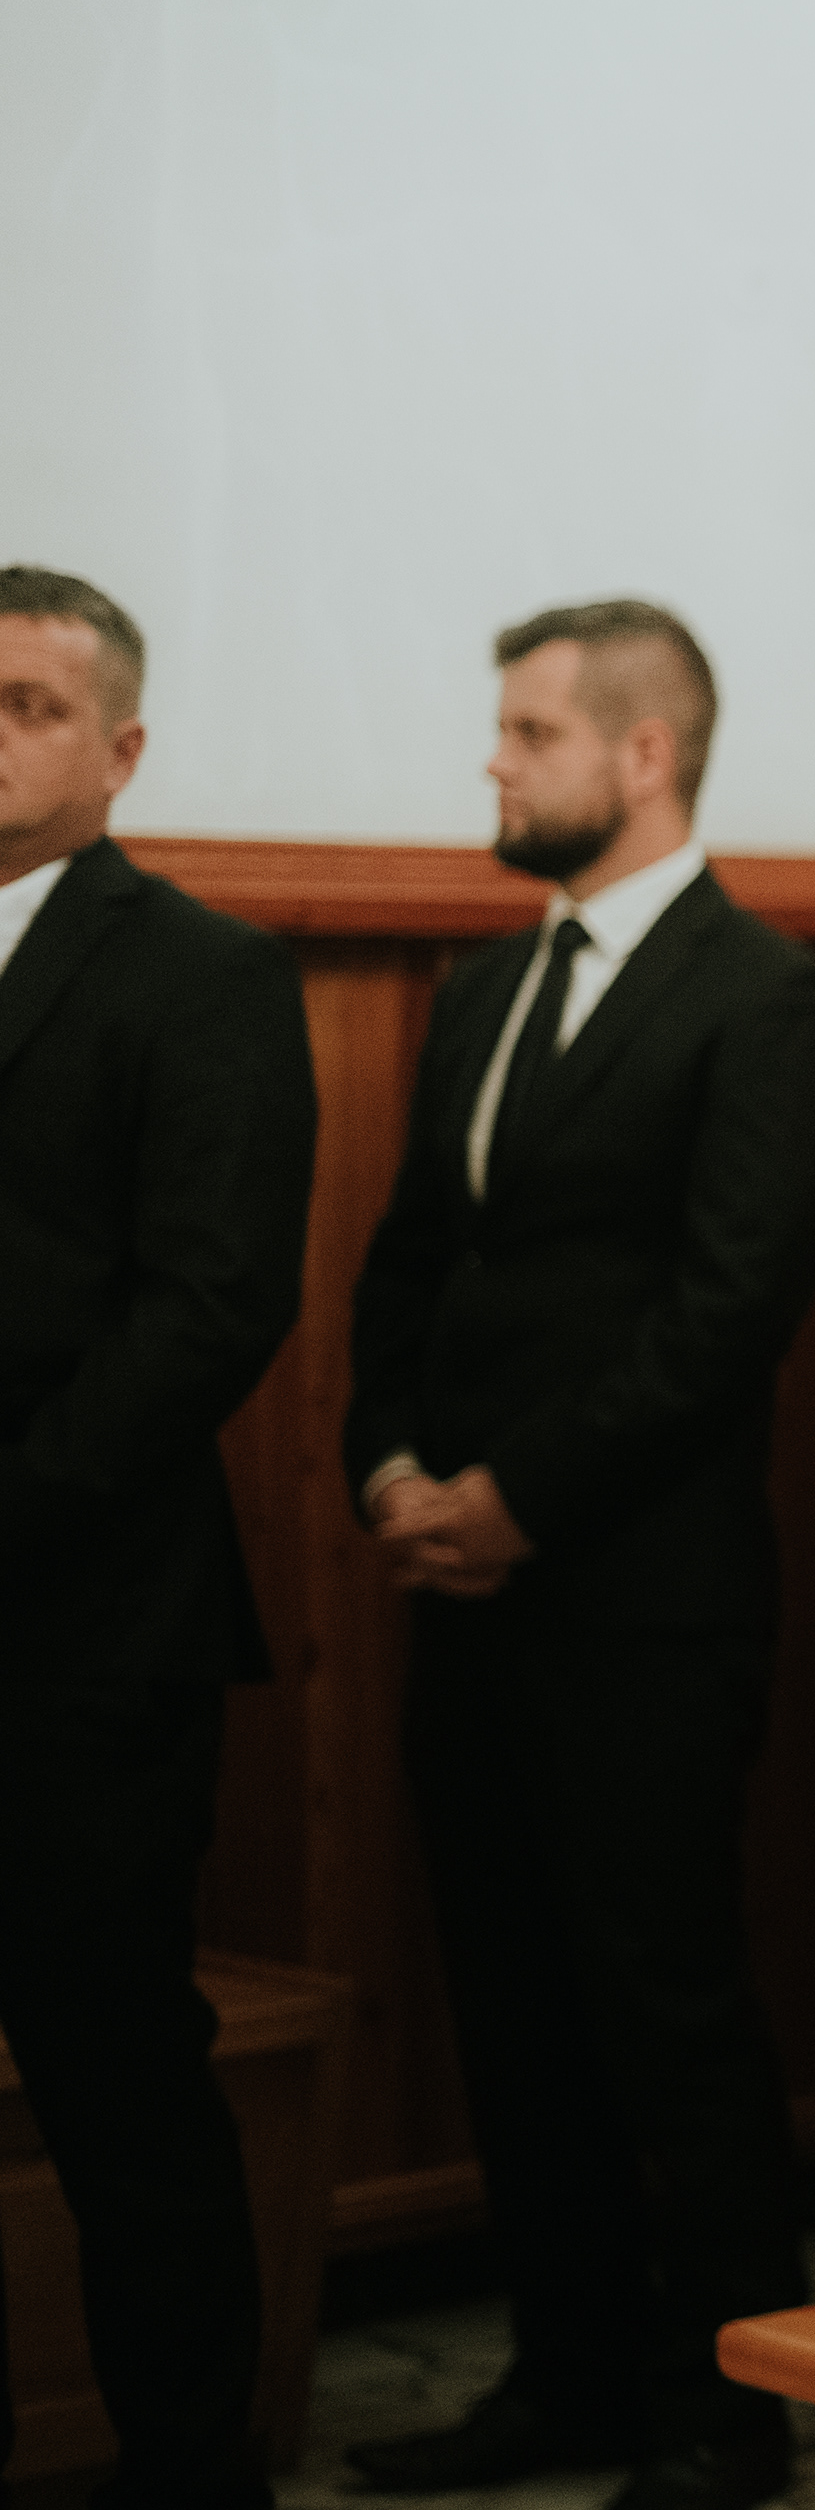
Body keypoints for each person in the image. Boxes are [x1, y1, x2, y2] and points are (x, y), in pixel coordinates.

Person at [341, 601, 815, 2510]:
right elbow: (416, 1257)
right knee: (507, 1997)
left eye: (530, 731)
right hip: (463, 1590)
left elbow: (730, 1312)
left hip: (645, 1594)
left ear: (645, 754)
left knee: (666, 2003)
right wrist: (391, 1462)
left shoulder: (766, 999)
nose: (495, 761)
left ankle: (728, 2411)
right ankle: (564, 2379)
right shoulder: (487, 993)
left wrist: (523, 1497)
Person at [0, 567, 316, 2510]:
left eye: (28, 705)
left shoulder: (198, 972)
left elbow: (211, 1305)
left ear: (119, 748)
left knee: (116, 2077)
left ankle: (193, 2473)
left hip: (85, 1625)